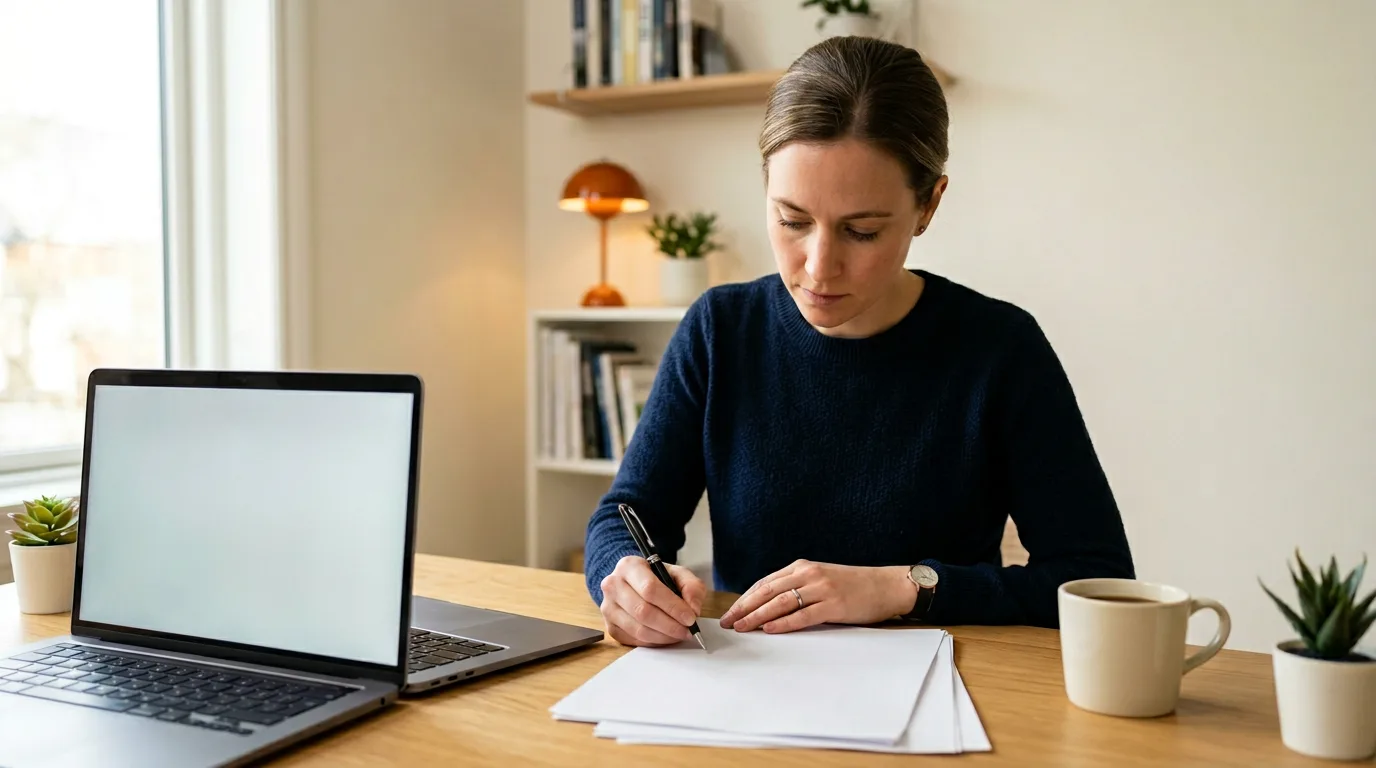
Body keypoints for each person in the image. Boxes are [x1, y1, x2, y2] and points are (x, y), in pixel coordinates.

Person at [582, 36, 1135, 648]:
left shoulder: (1000, 349)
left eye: (862, 231)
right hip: (745, 690)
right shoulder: (721, 329)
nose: (819, 267)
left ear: (929, 205)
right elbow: (626, 514)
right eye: (792, 221)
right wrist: (624, 577)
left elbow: (1097, 577)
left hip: (950, 698)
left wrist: (906, 587)